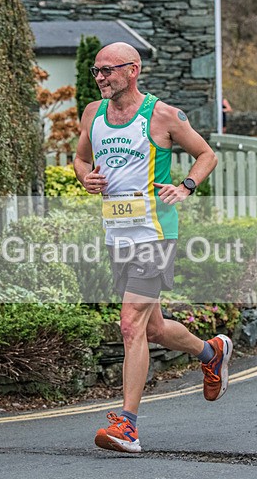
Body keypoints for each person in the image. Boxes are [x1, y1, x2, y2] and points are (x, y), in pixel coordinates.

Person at [74, 42, 233, 453]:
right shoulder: (93, 114)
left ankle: (127, 425)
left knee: (130, 324)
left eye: (108, 70)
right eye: (97, 71)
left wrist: (186, 186)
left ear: (133, 70)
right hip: (117, 234)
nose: (101, 77)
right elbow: (80, 160)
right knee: (155, 328)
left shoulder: (162, 115)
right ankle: (210, 351)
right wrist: (84, 178)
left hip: (154, 234)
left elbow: (206, 155)